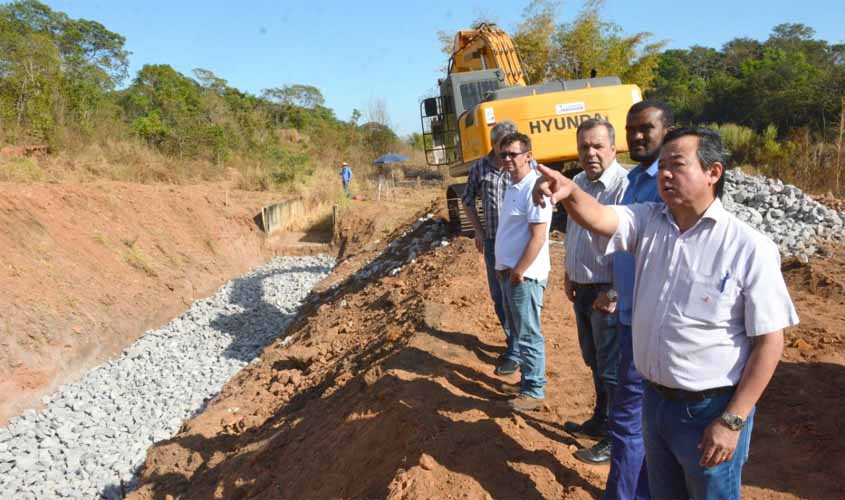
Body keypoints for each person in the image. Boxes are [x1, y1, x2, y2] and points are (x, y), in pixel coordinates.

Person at [534, 127, 799, 499]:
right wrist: (571, 191)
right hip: (655, 404)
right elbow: (599, 217)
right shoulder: (649, 222)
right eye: (661, 168)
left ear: (713, 172)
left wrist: (732, 420)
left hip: (710, 411)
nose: (665, 175)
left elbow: (770, 342)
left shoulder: (748, 247)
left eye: (677, 165)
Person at [573, 101, 671, 500]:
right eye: (632, 129)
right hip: (628, 312)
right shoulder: (636, 180)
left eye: (646, 128)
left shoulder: (662, 183)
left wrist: (613, 291)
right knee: (639, 422)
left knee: (630, 420)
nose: (638, 136)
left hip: (641, 318)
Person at [562, 118, 629, 442]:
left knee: (612, 368)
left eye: (597, 146)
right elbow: (574, 231)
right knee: (594, 360)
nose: (590, 153)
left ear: (613, 149)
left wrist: (615, 291)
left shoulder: (625, 187)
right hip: (583, 288)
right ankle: (600, 420)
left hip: (607, 292)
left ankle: (613, 438)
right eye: (584, 147)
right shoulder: (578, 182)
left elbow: (632, 246)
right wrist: (569, 271)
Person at [493, 132, 553, 411]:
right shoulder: (513, 186)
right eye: (503, 154)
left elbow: (538, 237)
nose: (507, 159)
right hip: (510, 273)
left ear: (528, 156)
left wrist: (518, 271)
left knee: (528, 333)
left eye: (513, 154)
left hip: (524, 276)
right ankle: (528, 381)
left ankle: (534, 390)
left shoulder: (534, 189)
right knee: (519, 330)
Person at [463, 120, 518, 375]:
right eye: (501, 146)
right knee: (499, 297)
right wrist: (478, 230)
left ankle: (518, 350)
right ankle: (512, 341)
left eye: (510, 146)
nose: (506, 152)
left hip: (519, 244)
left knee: (517, 297)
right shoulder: (479, 169)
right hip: (493, 243)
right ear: (493, 144)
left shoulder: (525, 166)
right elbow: (467, 201)